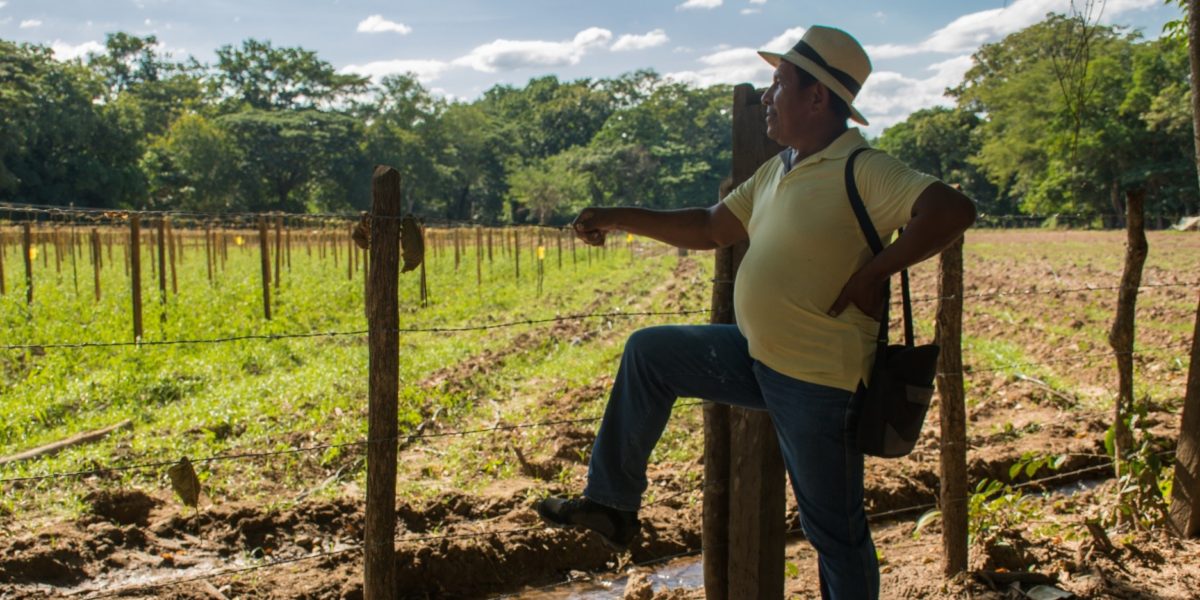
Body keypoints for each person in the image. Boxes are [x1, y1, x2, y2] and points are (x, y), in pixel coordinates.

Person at [535, 25, 976, 600]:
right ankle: (611, 505)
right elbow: (713, 226)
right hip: (756, 357)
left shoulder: (862, 169)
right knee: (651, 352)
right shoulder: (779, 167)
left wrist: (874, 271)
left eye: (778, 84)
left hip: (820, 381)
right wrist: (618, 216)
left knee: (835, 533)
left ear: (817, 98)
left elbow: (951, 210)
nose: (768, 97)